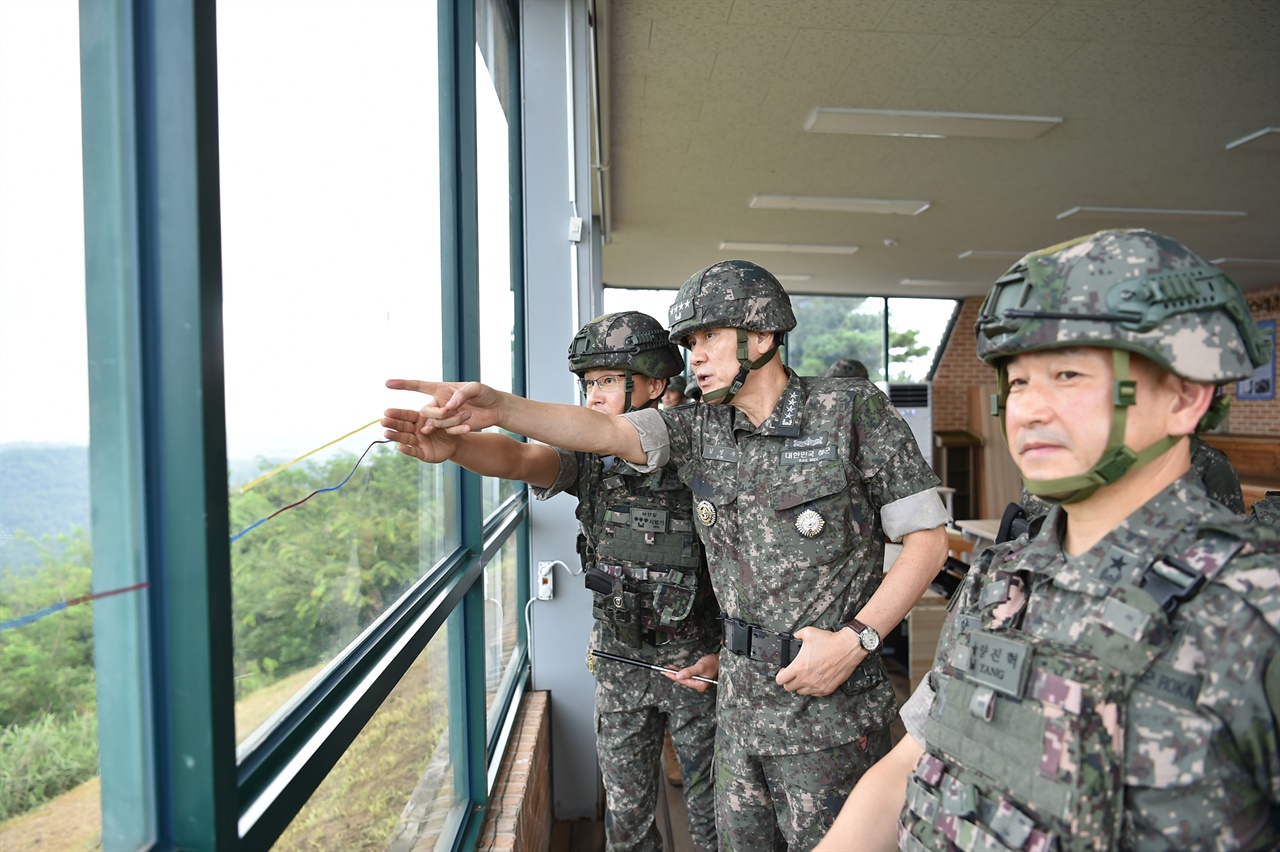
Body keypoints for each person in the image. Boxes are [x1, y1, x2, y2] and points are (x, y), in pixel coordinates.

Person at [385, 260, 951, 849]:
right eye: (688, 342)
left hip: (827, 710)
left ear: (760, 336)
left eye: (708, 336)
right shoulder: (698, 430)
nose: (696, 355)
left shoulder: (850, 411)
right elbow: (603, 434)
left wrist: (857, 639)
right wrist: (498, 408)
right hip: (738, 706)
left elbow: (927, 540)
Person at [815, 229, 1279, 851]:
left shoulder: (1254, 609)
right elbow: (912, 766)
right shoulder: (999, 580)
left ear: (1185, 396)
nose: (1028, 409)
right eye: (1019, 382)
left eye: (1066, 374)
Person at [388, 312, 719, 852]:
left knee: (712, 819)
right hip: (621, 661)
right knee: (628, 821)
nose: (594, 395)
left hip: (698, 661)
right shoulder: (591, 458)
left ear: (656, 382)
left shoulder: (703, 446)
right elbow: (521, 458)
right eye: (588, 383)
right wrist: (458, 448)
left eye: (609, 380)